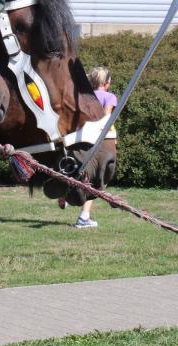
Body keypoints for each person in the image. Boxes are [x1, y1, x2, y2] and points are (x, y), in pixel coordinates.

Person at [65, 66, 117, 228]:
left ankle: (64, 194)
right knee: (98, 180)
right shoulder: (109, 97)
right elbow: (106, 119)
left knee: (79, 171)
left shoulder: (85, 96)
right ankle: (84, 216)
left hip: (82, 137)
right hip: (102, 140)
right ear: (107, 83)